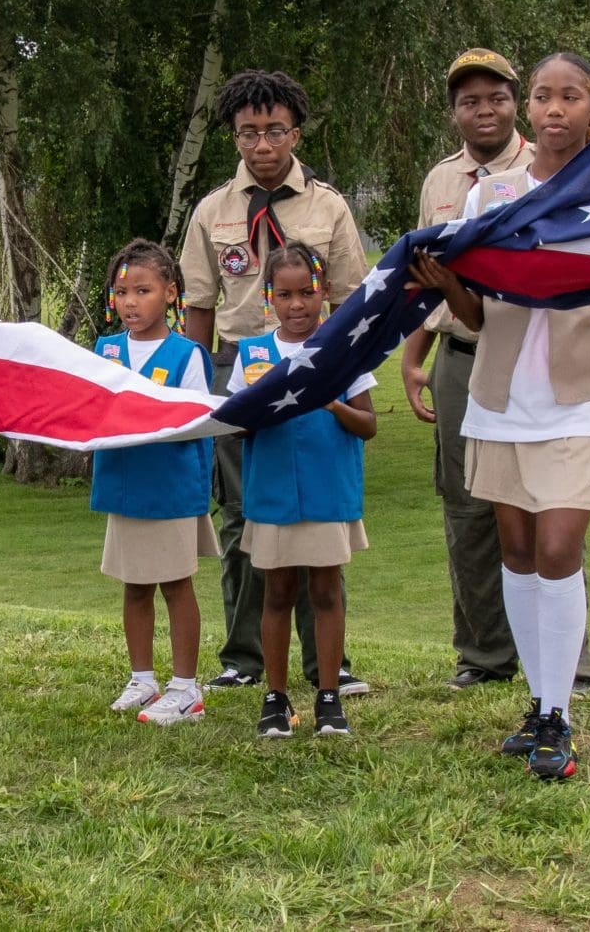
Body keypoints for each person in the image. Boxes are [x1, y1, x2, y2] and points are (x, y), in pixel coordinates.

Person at [411, 53, 590, 783]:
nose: (554, 108)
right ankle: (538, 707)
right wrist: (451, 285)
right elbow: (477, 313)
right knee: (513, 550)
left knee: (558, 548)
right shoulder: (494, 198)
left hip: (578, 400)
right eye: (544, 95)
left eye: (570, 96)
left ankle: (563, 714)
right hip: (502, 395)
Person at [399, 47, 590, 693]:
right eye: (468, 100)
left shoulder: (575, 175)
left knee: (558, 529)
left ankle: (570, 667)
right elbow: (439, 283)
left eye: (496, 97)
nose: (483, 109)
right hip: (470, 361)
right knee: (471, 512)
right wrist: (413, 357)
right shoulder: (448, 184)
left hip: (560, 374)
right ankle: (485, 654)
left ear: (516, 103)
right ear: (454, 110)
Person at [178, 69, 370, 697]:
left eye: (276, 130)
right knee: (242, 515)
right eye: (249, 132)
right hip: (242, 366)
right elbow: (200, 305)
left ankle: (327, 664)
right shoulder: (213, 210)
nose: (263, 145)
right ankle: (244, 655)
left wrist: (342, 370)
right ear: (233, 136)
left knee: (318, 513)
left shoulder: (328, 204)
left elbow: (349, 299)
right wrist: (201, 389)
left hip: (316, 363)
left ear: (296, 131)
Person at [230, 246, 378, 738]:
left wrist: (333, 403)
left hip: (325, 492)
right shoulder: (252, 355)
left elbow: (368, 424)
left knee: (325, 590)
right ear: (268, 298)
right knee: (276, 592)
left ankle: (329, 697)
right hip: (272, 494)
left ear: (325, 292)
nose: (297, 305)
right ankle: (275, 698)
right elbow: (234, 424)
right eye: (285, 294)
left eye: (307, 293)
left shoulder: (344, 350)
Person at [88, 239, 218, 727]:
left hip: (170, 490)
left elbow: (195, 422)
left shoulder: (187, 355)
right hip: (124, 486)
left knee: (174, 584)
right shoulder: (106, 350)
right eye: (121, 292)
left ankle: (187, 688)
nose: (130, 302)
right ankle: (142, 677)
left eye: (142, 290)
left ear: (170, 292)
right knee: (134, 585)